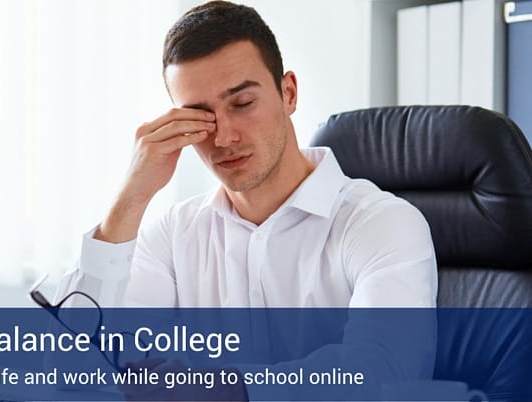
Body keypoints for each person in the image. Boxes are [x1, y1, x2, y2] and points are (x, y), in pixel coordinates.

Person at [54, 0, 437, 309]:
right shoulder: (175, 236)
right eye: (201, 115)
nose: (224, 137)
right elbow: (76, 367)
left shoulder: (382, 224)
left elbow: (381, 373)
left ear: (288, 93)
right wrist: (131, 198)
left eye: (242, 103)